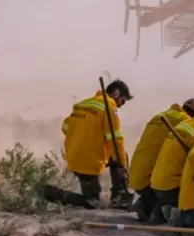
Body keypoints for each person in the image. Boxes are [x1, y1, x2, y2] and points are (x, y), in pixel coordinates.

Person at [51, 79, 133, 209]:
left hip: (74, 157)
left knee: (92, 196)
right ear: (116, 93)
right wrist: (122, 166)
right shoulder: (109, 105)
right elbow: (116, 140)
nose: (122, 105)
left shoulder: (83, 104)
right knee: (93, 202)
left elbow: (65, 126)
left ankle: (56, 194)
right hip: (89, 161)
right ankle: (119, 198)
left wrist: (83, 138)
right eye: (123, 100)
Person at [127, 98, 194, 221]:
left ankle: (145, 204)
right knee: (175, 180)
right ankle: (152, 209)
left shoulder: (161, 115)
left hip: (135, 176)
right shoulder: (186, 122)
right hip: (150, 180)